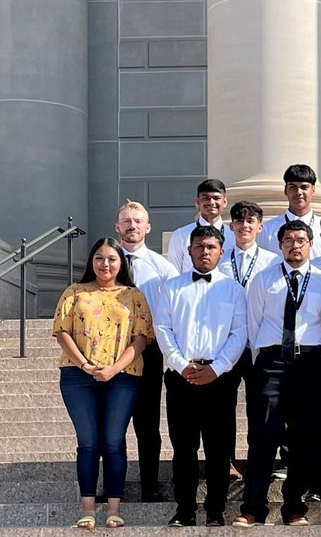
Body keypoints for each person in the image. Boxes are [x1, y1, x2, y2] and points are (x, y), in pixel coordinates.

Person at [234, 221, 321, 527]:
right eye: (288, 240)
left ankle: (294, 506)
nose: (295, 245)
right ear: (279, 245)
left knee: (305, 437)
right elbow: (254, 324)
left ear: (310, 244)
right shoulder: (264, 280)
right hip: (271, 363)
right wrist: (265, 359)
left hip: (309, 363)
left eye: (301, 240)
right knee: (263, 436)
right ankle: (254, 506)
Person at [52, 238, 153, 529]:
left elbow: (141, 338)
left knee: (112, 442)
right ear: (91, 262)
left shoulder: (133, 295)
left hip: (123, 377)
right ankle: (87, 509)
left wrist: (113, 369)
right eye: (99, 258)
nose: (105, 264)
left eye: (111, 258)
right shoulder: (74, 292)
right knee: (87, 443)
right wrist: (85, 364)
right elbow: (62, 331)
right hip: (77, 375)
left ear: (121, 263)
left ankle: (113, 509)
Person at [156, 226, 248, 527]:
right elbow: (163, 330)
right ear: (189, 250)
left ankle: (216, 509)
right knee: (183, 449)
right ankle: (184, 509)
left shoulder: (233, 289)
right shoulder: (171, 287)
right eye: (199, 246)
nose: (204, 251)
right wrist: (181, 364)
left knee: (219, 449)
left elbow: (239, 333)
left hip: (219, 378)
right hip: (181, 376)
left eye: (211, 246)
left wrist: (217, 368)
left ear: (221, 252)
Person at [114, 200, 178, 501]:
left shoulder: (163, 268)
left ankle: (149, 485)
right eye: (126, 221)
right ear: (117, 227)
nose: (132, 225)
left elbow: (171, 312)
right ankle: (114, 485)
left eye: (138, 221)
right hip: (110, 352)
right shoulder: (105, 264)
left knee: (147, 423)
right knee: (112, 424)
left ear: (148, 227)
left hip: (148, 353)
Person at [217, 200, 279, 479]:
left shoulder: (273, 262)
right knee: (223, 407)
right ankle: (226, 461)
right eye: (239, 222)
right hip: (227, 344)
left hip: (259, 344)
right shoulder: (220, 261)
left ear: (259, 227)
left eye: (250, 221)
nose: (244, 226)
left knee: (261, 407)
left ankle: (259, 460)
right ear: (231, 227)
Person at [260, 164, 321, 258]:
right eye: (293, 187)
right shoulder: (268, 229)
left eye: (304, 187)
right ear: (285, 190)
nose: (298, 192)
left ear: (313, 190)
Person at [166, 178, 229, 272]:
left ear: (224, 202)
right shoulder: (180, 235)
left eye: (216, 198)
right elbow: (173, 272)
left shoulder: (233, 235)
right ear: (197, 202)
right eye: (206, 198)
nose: (211, 202)